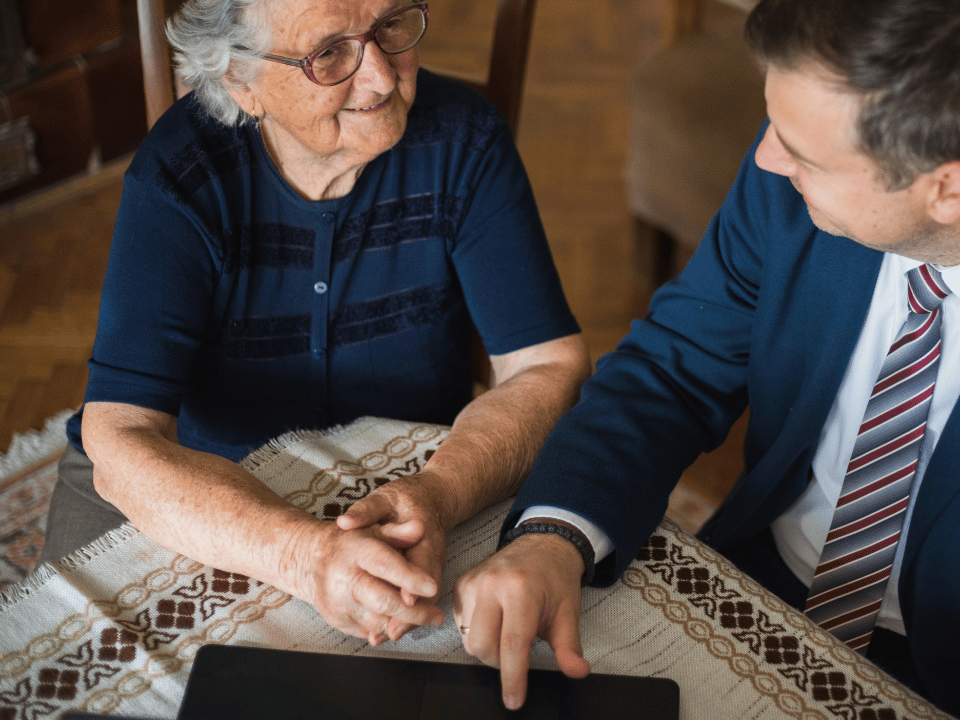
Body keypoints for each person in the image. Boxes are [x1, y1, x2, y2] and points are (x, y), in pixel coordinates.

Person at [452, 0, 960, 717]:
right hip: (753, 589)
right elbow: (671, 368)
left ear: (947, 190)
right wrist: (552, 537)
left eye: (800, 151)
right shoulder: (801, 169)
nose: (766, 160)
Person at [40, 0, 591, 648]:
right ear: (241, 81)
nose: (383, 77)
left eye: (390, 25)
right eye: (329, 53)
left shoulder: (463, 142)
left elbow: (548, 364)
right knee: (85, 667)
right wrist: (304, 555)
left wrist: (440, 491)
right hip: (207, 488)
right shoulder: (180, 175)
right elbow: (121, 437)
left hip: (409, 483)